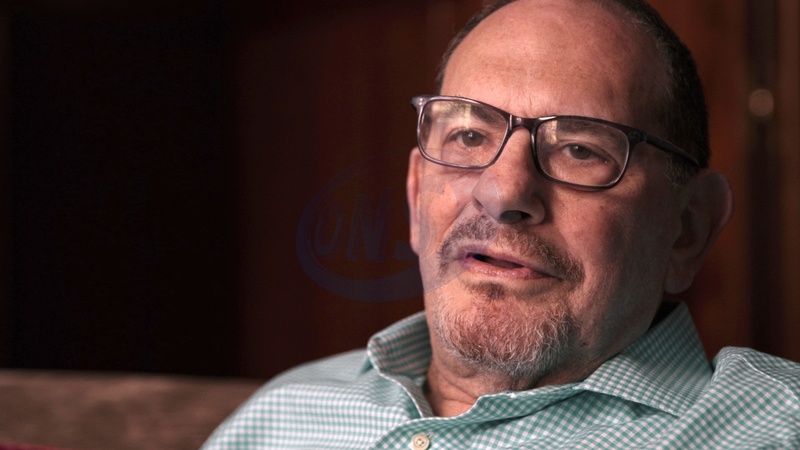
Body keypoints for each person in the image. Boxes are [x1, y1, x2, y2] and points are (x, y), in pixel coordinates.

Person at [203, 0, 800, 448]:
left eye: (581, 149)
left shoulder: (775, 427)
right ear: (416, 196)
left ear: (689, 228)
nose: (503, 193)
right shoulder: (282, 418)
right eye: (469, 136)